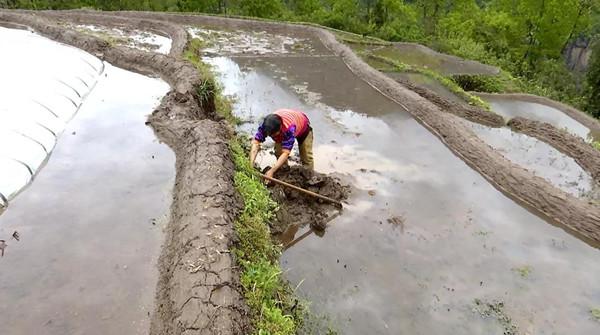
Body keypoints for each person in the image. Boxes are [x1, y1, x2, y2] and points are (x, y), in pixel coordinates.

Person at [250, 109, 314, 179]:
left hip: (303, 128)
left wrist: (271, 171)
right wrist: (251, 163)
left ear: (280, 128)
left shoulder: (289, 129)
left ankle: (309, 178)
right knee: (278, 152)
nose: (272, 136)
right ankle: (284, 172)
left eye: (274, 135)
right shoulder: (265, 125)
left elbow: (286, 153)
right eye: (270, 135)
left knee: (306, 157)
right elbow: (255, 143)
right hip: (287, 124)